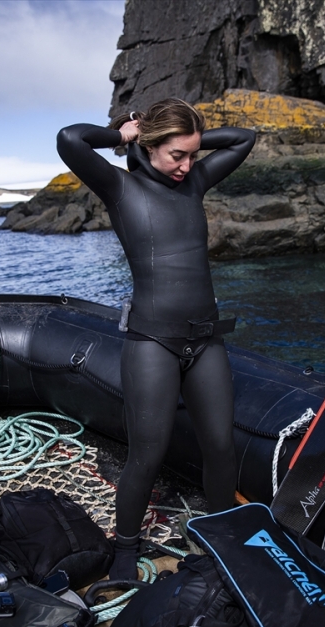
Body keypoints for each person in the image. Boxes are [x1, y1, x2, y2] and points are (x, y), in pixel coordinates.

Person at [57, 99, 256, 579]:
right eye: (176, 155)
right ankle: (126, 551)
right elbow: (70, 139)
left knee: (220, 446)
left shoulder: (194, 183)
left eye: (192, 155)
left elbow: (243, 139)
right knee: (147, 454)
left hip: (205, 340)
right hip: (152, 343)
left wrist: (187, 139)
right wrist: (126, 135)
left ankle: (221, 539)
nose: (186, 165)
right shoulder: (119, 187)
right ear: (149, 146)